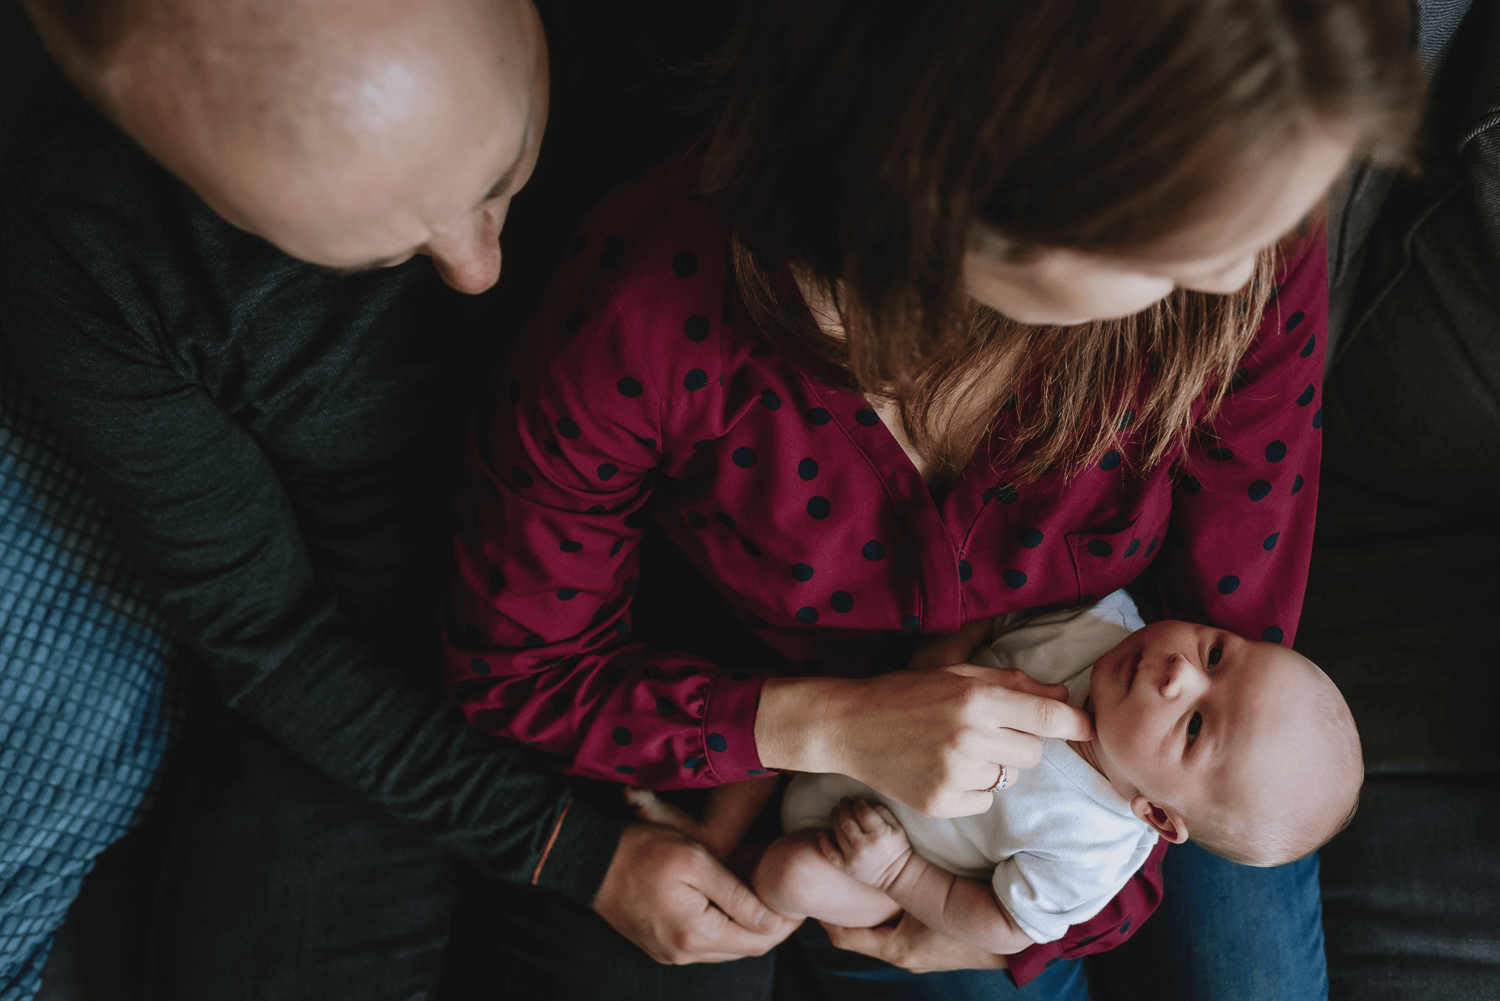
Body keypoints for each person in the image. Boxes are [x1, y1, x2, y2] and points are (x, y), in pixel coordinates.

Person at [442, 0, 1421, 996]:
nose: (1237, 272)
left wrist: (1040, 913)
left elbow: (1234, 644)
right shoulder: (646, 318)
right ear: (983, 196)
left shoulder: (1249, 239)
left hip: (1154, 776)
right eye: (1181, 244)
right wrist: (820, 726)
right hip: (884, 807)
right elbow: (522, 670)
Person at [0, 1, 798, 998]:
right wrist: (567, 850)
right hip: (368, 670)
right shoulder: (92, 232)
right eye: (374, 254)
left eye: (502, 177)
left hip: (646, 643)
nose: (478, 269)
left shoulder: (695, 43)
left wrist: (775, 721)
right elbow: (272, 635)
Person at [747, 608, 1362, 951]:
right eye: (1217, 655)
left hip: (863, 844)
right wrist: (934, 665)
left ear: (1156, 815)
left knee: (786, 873)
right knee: (763, 695)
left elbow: (1006, 927)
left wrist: (897, 874)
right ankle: (702, 827)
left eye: (1195, 726)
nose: (1179, 670)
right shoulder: (1103, 624)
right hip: (843, 730)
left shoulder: (1090, 851)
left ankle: (748, 906)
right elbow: (994, 619)